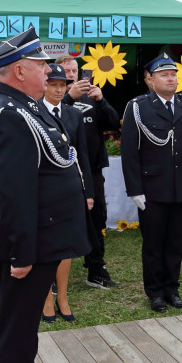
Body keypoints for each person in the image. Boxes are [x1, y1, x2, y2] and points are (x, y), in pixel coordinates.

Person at [0, 27, 90, 363]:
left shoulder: (26, 107)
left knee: (26, 332)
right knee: (15, 332)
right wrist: (21, 253)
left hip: (43, 240)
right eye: (42, 64)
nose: (51, 70)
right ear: (19, 69)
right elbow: (12, 193)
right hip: (25, 246)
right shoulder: (8, 113)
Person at [121, 53, 182, 313]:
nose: (171, 79)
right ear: (151, 80)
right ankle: (155, 292)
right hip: (152, 189)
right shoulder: (138, 107)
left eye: (173, 74)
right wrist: (135, 189)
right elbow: (129, 152)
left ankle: (172, 289)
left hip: (181, 188)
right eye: (164, 75)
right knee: (154, 244)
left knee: (175, 243)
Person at [53, 53, 121, 289]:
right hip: (62, 170)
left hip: (92, 169)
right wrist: (69, 97)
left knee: (97, 217)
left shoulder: (92, 95)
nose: (72, 75)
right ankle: (53, 272)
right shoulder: (52, 95)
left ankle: (96, 267)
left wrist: (101, 100)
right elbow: (50, 119)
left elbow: (114, 123)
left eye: (74, 71)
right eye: (66, 71)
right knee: (59, 219)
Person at [38, 63, 93, 323]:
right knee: (47, 244)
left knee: (67, 246)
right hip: (45, 190)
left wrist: (88, 192)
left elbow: (82, 155)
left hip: (71, 189)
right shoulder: (33, 112)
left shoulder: (74, 116)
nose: (59, 90)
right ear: (44, 85)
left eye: (63, 85)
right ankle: (46, 296)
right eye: (53, 85)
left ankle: (63, 296)